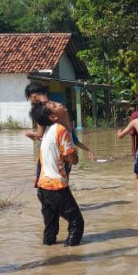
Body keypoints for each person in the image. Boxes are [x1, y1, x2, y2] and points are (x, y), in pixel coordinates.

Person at [30, 101, 84, 247]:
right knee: (76, 223)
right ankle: (71, 256)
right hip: (56, 188)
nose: (59, 104)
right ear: (53, 117)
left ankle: (50, 255)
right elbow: (74, 160)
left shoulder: (49, 131)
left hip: (43, 187)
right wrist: (70, 155)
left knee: (51, 228)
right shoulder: (61, 130)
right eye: (54, 105)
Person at [24, 83, 96, 160]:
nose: (61, 106)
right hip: (62, 156)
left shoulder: (42, 111)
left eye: (29, 98)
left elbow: (40, 134)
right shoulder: (55, 108)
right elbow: (75, 141)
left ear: (34, 97)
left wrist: (29, 133)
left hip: (53, 156)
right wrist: (87, 150)